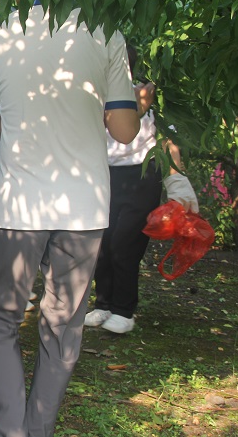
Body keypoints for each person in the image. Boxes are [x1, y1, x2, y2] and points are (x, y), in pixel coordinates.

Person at [0, 0, 141, 437]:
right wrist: (137, 103)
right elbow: (125, 131)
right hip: (84, 206)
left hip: (18, 204)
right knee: (64, 324)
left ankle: (12, 431)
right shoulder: (105, 33)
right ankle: (37, 428)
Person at [85, 44, 199, 334]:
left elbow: (167, 142)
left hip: (142, 176)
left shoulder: (147, 96)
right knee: (102, 243)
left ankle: (124, 310)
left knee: (125, 243)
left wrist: (177, 181)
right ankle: (104, 303)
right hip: (105, 176)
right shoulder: (94, 98)